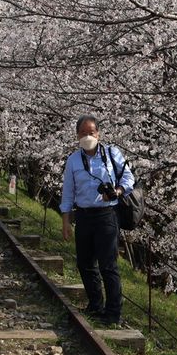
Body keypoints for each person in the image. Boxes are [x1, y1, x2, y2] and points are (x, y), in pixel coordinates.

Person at [59, 114, 135, 326]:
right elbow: (68, 191)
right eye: (83, 133)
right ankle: (95, 304)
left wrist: (118, 191)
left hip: (106, 215)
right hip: (83, 215)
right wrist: (66, 220)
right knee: (85, 263)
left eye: (91, 132)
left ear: (98, 133)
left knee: (108, 265)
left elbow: (129, 177)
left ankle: (113, 313)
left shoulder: (112, 153)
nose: (87, 136)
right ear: (77, 135)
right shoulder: (73, 160)